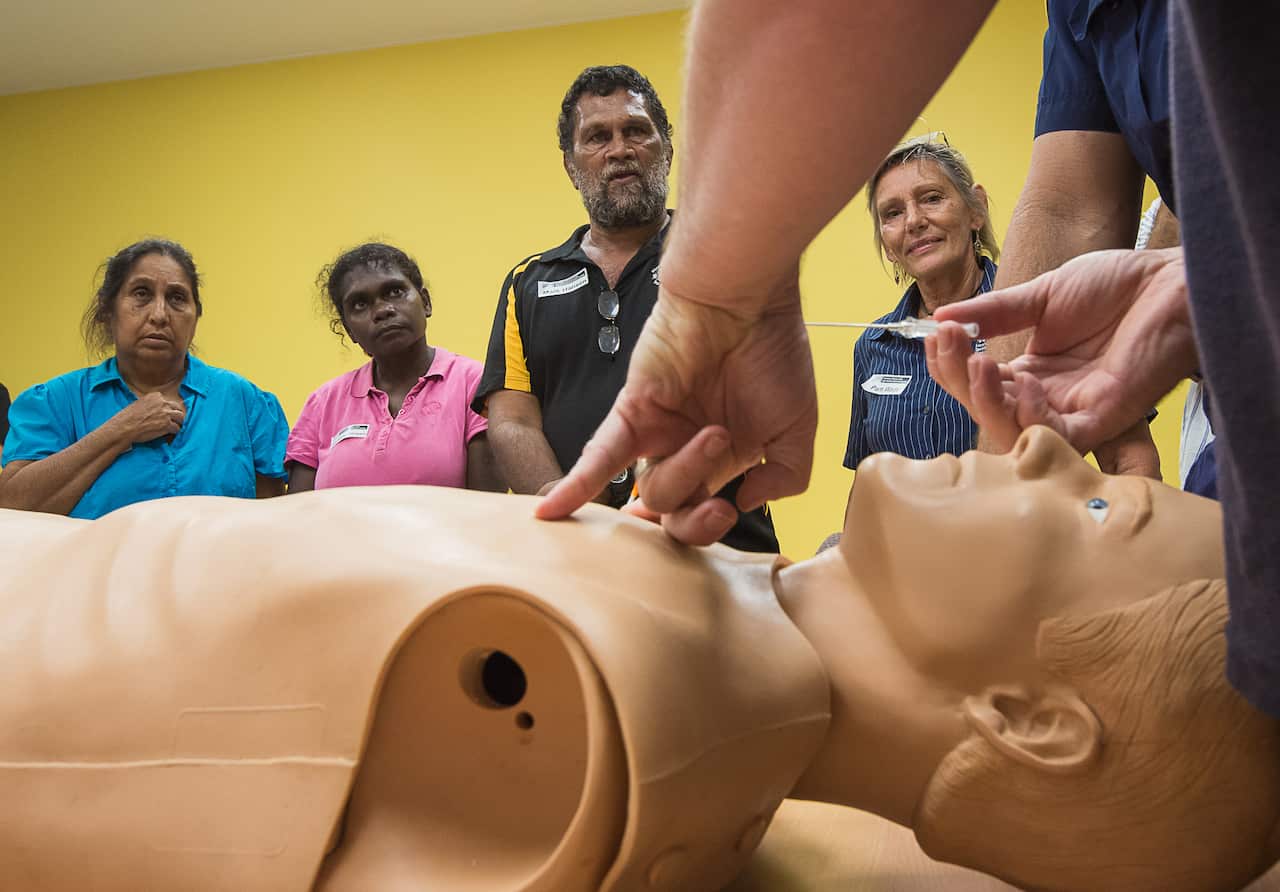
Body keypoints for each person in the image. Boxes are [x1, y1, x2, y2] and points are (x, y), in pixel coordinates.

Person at [2, 426, 1276, 892]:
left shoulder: (608, 706)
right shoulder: (716, 623)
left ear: (1025, 718)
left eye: (1106, 511)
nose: (1056, 451)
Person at [476, 64, 777, 552]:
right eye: (597, 137)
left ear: (668, 148)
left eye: (636, 130)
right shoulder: (526, 283)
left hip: (718, 541)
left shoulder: (726, 258)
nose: (619, 150)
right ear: (571, 166)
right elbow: (512, 421)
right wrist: (562, 502)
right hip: (579, 555)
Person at [0, 239, 288, 519]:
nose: (160, 315)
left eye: (177, 298)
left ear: (196, 316)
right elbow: (12, 509)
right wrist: (122, 429)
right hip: (97, 569)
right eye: (141, 294)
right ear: (108, 311)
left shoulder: (245, 402)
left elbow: (272, 520)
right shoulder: (54, 402)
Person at [286, 243, 502, 494]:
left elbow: (485, 506)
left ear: (425, 302)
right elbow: (299, 513)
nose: (382, 310)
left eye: (395, 291)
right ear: (348, 330)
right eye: (359, 304)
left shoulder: (474, 383)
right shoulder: (323, 403)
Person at [844, 136, 998, 470]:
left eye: (931, 198)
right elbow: (869, 484)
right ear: (887, 245)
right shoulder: (872, 346)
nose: (913, 221)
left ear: (976, 208)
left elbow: (1124, 458)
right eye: (893, 213)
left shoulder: (1036, 318)